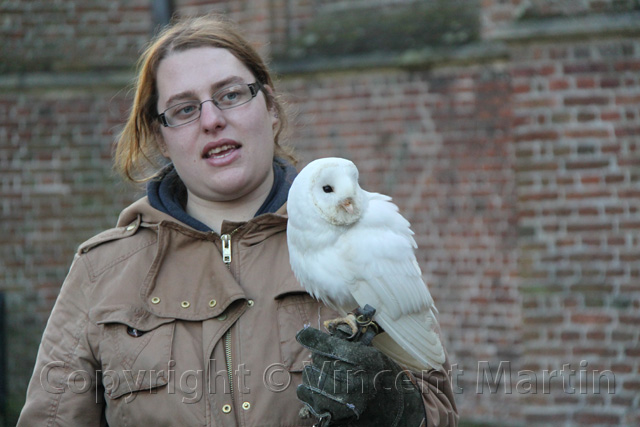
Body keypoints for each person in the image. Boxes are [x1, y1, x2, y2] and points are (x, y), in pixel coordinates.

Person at [17, 14, 458, 426]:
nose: (212, 119)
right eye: (185, 109)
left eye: (230, 95)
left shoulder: (359, 236)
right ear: (161, 138)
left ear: (270, 108)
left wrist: (390, 405)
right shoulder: (102, 271)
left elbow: (438, 405)